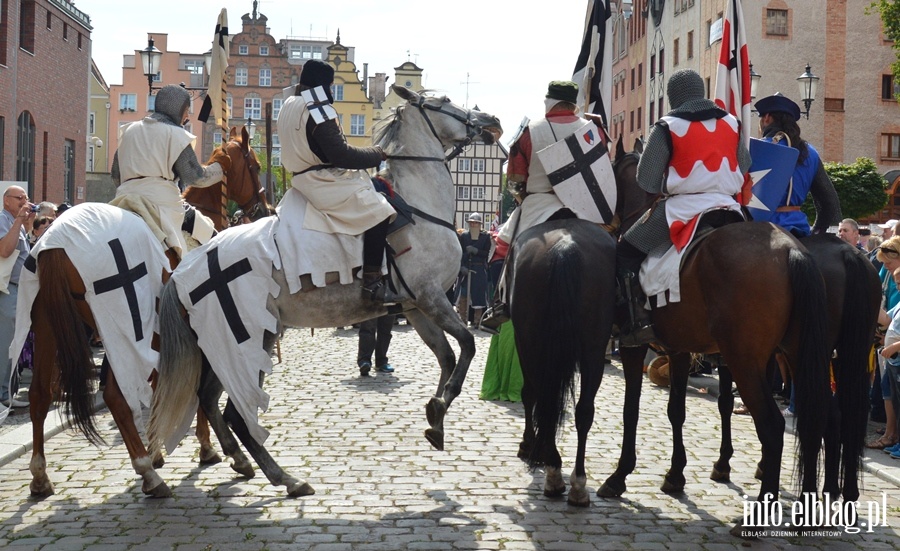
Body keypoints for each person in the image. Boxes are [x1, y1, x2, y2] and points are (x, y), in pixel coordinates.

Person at [616, 69, 751, 347]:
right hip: (729, 206)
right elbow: (745, 164)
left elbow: (646, 180)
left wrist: (671, 180)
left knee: (625, 252)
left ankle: (637, 323)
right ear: (700, 91)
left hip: (683, 208)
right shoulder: (732, 122)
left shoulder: (668, 125)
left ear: (673, 96)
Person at [278, 59, 398, 304]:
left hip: (300, 180)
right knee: (380, 211)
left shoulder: (289, 103)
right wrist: (377, 153)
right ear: (324, 84)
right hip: (323, 182)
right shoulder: (317, 108)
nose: (331, 92)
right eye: (331, 86)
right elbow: (340, 155)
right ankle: (372, 281)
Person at [481, 80, 589, 330]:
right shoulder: (593, 130)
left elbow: (516, 181)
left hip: (539, 202)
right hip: (586, 207)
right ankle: (626, 311)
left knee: (500, 249)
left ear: (549, 101)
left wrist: (522, 198)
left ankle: (500, 305)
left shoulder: (531, 131)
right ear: (573, 103)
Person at [111, 84, 230, 262]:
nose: (187, 116)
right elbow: (195, 177)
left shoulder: (129, 130)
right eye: (187, 110)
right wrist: (221, 167)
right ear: (177, 109)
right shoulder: (175, 134)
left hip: (123, 198)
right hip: (162, 203)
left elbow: (115, 174)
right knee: (209, 235)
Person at [754, 93, 841, 238]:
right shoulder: (810, 153)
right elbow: (829, 202)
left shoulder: (757, 149)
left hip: (760, 229)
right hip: (799, 229)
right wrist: (817, 233)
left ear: (767, 117)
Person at [0, 186, 35, 408]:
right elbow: (4, 250)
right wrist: (19, 221)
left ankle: (6, 394)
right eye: (19, 197)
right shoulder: (4, 219)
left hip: (18, 289)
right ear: (7, 202)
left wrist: (26, 224)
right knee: (5, 345)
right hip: (7, 289)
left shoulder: (16, 222)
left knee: (12, 345)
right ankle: (1, 395)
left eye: (26, 197)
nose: (25, 200)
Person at [867, 237, 900, 449]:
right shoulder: (890, 276)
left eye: (888, 262)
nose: (885, 267)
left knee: (894, 396)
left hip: (895, 355)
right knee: (889, 393)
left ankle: (892, 434)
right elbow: (888, 318)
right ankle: (891, 432)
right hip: (889, 354)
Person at [456, 212, 491, 326]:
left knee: (478, 296)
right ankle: (463, 319)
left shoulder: (485, 237)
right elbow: (460, 252)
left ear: (479, 224)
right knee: (464, 295)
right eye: (471, 223)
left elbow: (487, 253)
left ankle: (477, 321)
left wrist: (476, 251)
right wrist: (462, 266)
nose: (473, 225)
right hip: (467, 268)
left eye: (476, 223)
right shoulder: (464, 236)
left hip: (479, 268)